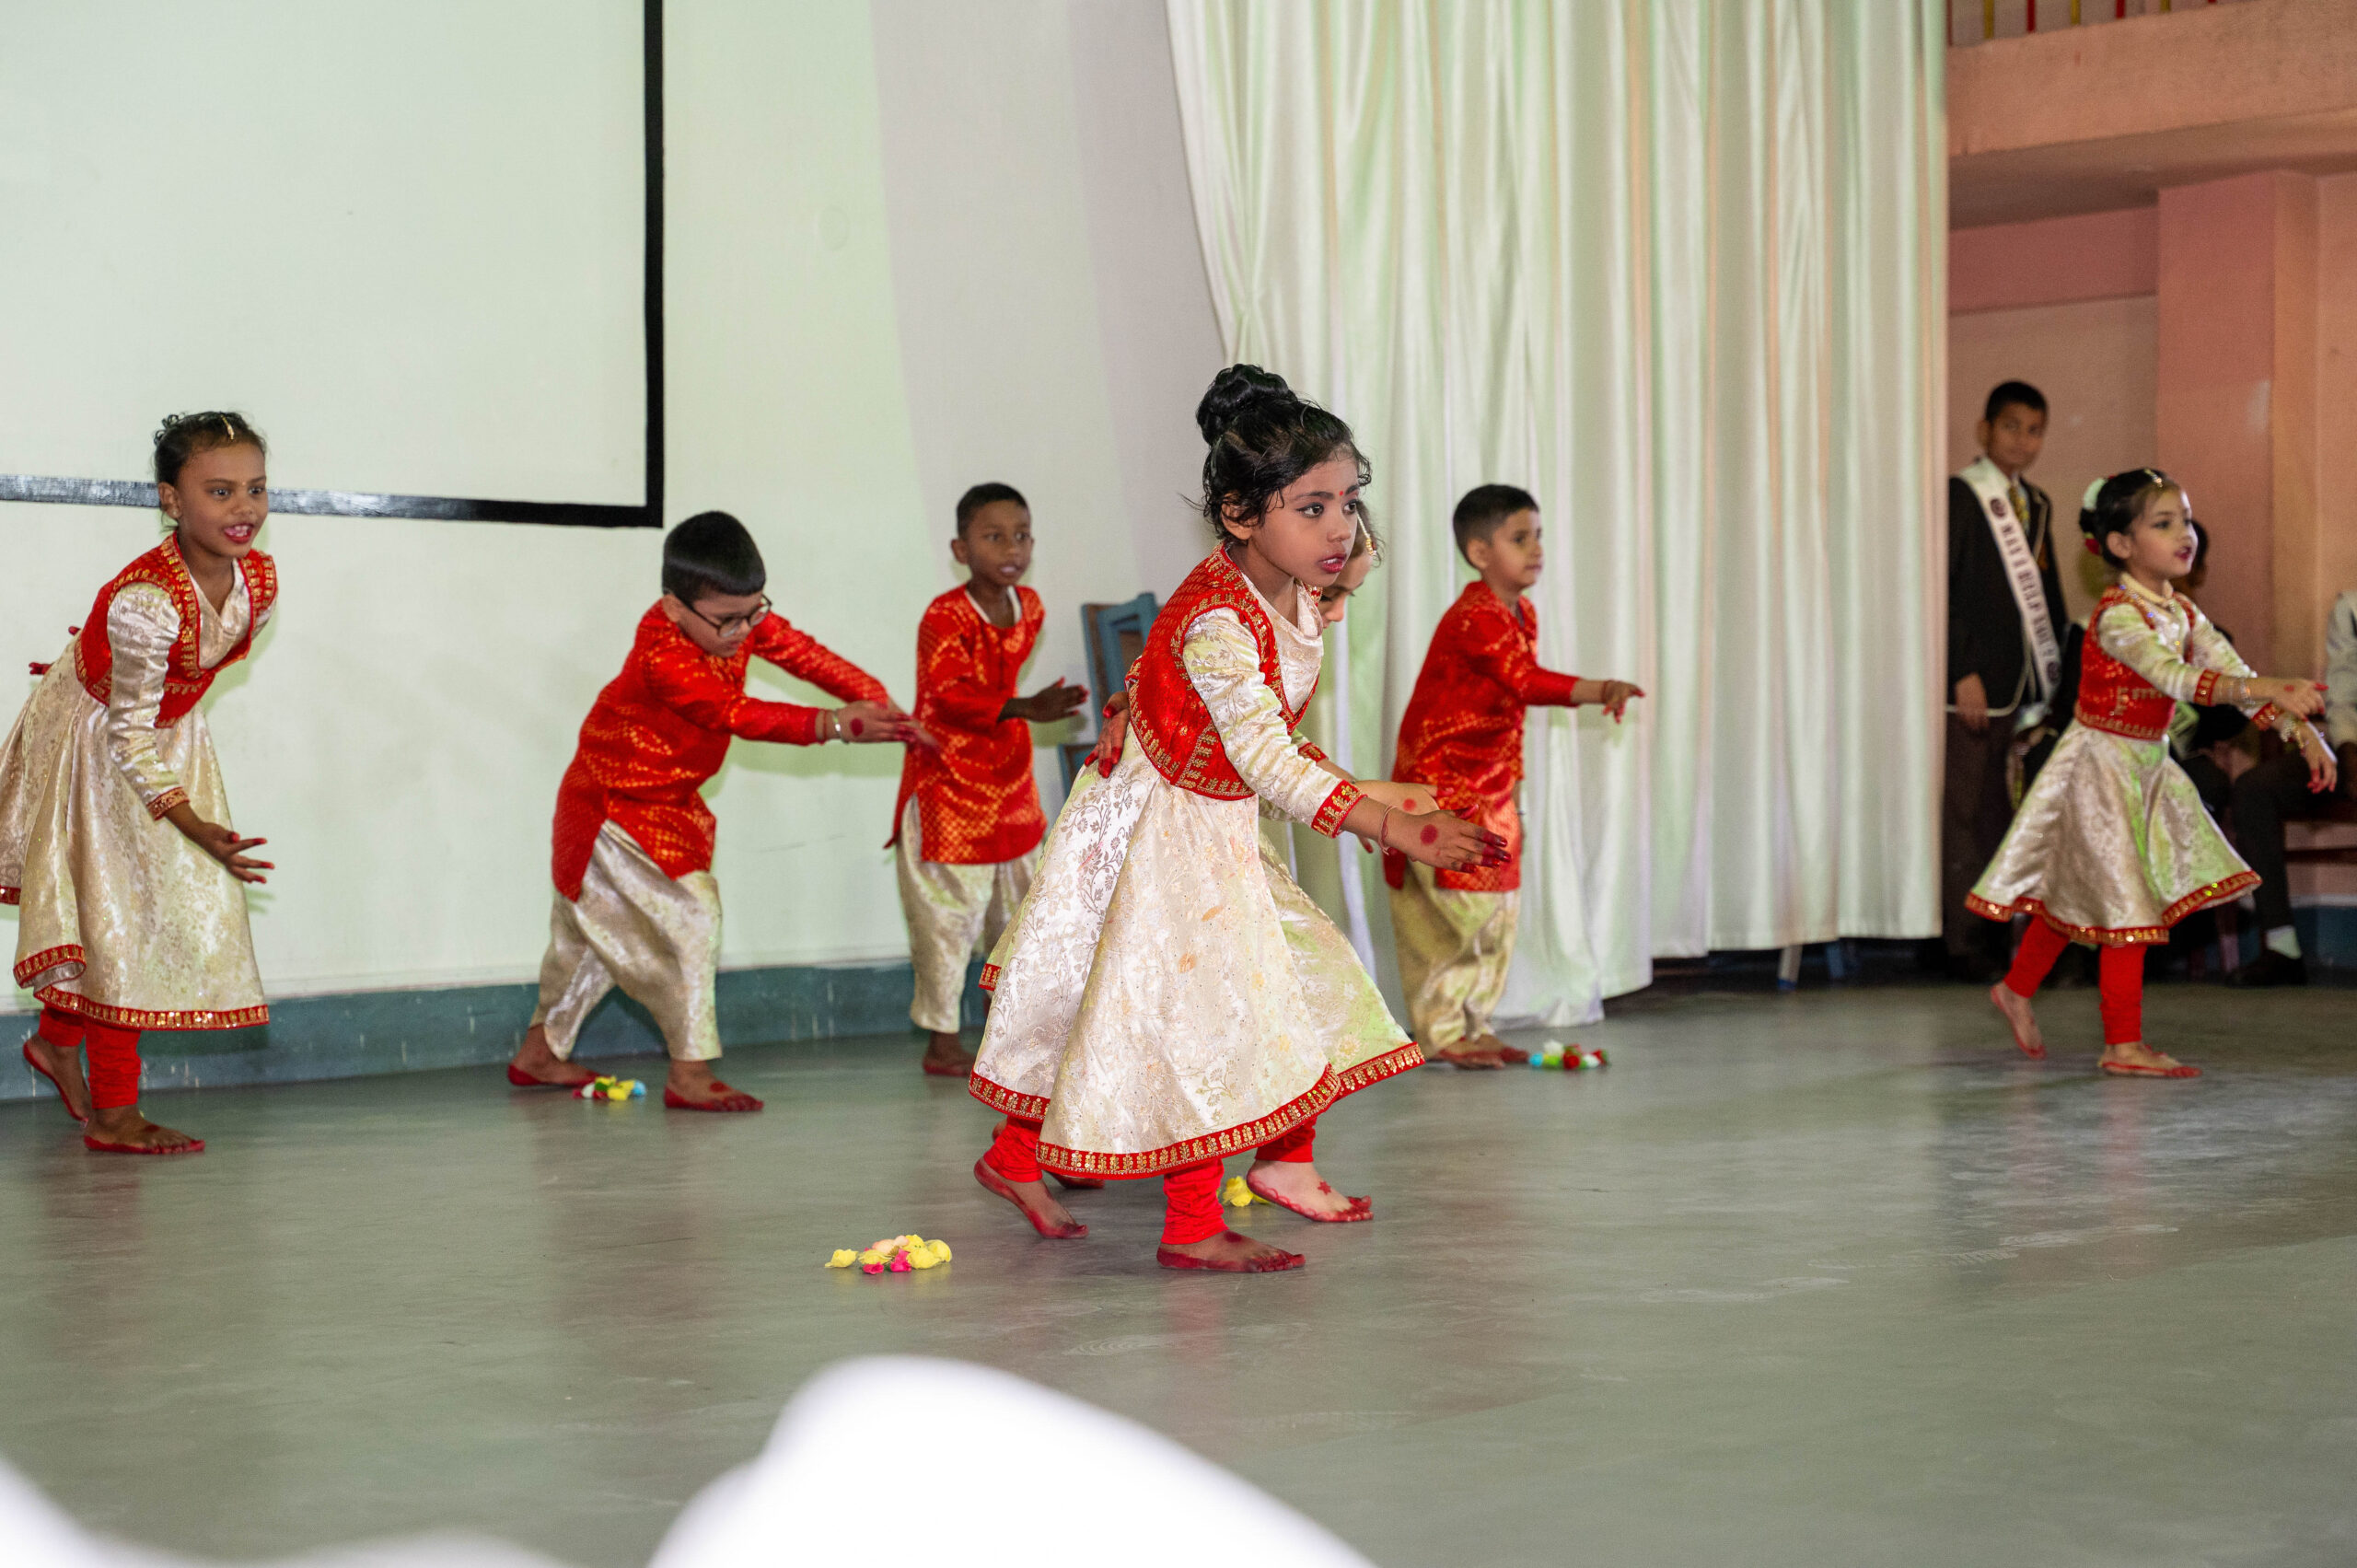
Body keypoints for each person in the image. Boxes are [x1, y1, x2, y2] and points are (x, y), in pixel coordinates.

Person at [967, 365, 1503, 1272]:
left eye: (1349, 502)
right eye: (1314, 508)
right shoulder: (1220, 620)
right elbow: (1262, 755)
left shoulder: (1287, 580)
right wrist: (1393, 824)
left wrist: (1372, 787)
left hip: (1207, 820)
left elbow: (1244, 711)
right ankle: (1189, 1224)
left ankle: (1050, 1159)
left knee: (1291, 981)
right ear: (1239, 516)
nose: (1340, 530)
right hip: (1163, 831)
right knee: (1200, 1011)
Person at [506, 511, 929, 1110]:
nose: (745, 631)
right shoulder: (663, 656)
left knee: (595, 937)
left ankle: (538, 1054)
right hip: (613, 806)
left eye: (755, 612)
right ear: (674, 608)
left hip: (665, 804)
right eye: (729, 620)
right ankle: (690, 1071)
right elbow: (738, 714)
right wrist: (836, 724)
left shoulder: (734, 618)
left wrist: (881, 706)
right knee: (691, 916)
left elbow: (804, 654)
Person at [1972, 470, 2334, 1077]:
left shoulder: (2184, 613)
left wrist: (2303, 733)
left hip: (2146, 765)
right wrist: (2270, 687)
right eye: (2163, 523)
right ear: (2120, 544)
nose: (2183, 534)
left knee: (2075, 894)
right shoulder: (2117, 617)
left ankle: (2015, 989)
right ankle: (2122, 1043)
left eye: (2185, 520)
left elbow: (2234, 680)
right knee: (2126, 901)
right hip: (2098, 768)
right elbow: (2177, 679)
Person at [1, 412, 279, 1154]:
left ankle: (58, 1042)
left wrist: (182, 801)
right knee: (117, 917)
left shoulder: (258, 579)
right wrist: (191, 823)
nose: (244, 507)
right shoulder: (146, 600)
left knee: (132, 906)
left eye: (255, 488)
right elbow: (126, 730)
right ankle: (115, 1112)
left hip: (165, 732)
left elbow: (177, 690)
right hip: (98, 741)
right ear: (171, 499)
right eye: (219, 491)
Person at [1384, 485, 1642, 1069]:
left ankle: (1474, 1026)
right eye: (1520, 538)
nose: (1536, 549)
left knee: (1496, 918)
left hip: (1491, 789)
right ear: (1479, 552)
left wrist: (1512, 787)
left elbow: (1508, 705)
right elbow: (1524, 682)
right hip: (1443, 787)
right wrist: (1601, 689)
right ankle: (1442, 1032)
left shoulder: (1521, 613)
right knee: (1454, 920)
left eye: (1538, 537)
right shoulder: (1474, 616)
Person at [889, 482, 1086, 1075]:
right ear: (961, 549)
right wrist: (1024, 707)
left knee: (1025, 911)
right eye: (994, 536)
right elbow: (947, 696)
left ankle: (1013, 1026)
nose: (1012, 548)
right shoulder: (943, 615)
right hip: (948, 782)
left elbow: (998, 686)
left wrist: (1024, 709)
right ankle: (942, 1041)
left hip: (1009, 778)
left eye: (1021, 535)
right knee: (947, 920)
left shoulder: (1031, 607)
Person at [1942, 381, 2069, 981]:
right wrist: (1959, 670)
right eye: (2012, 426)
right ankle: (1957, 941)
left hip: (2021, 685)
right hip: (1973, 686)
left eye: (2035, 430)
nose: (2023, 440)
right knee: (1964, 814)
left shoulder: (2037, 504)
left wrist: (2056, 685)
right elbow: (1943, 588)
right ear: (1985, 430)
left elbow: (2048, 595)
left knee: (2000, 815)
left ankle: (1992, 936)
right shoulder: (1962, 495)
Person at [2223, 586, 2357, 985]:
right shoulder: (2351, 607)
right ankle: (2282, 947)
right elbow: (2343, 694)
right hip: (2349, 749)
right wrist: (2347, 751)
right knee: (2255, 789)